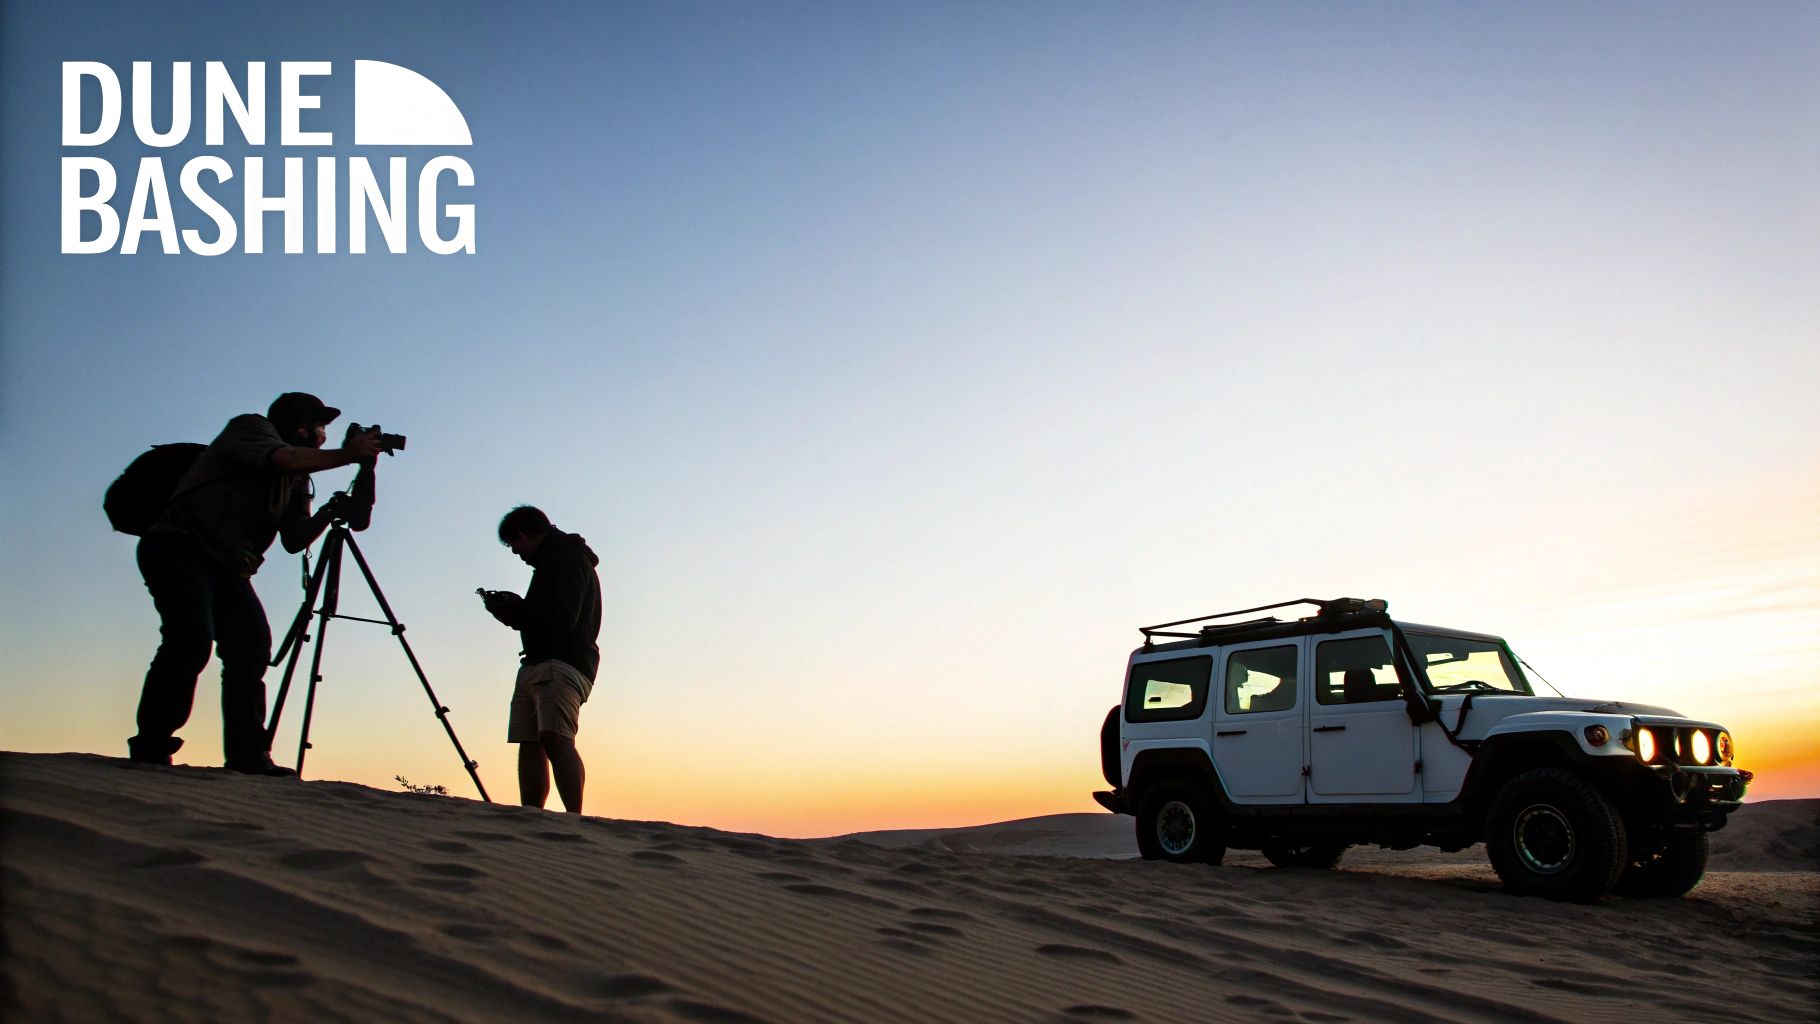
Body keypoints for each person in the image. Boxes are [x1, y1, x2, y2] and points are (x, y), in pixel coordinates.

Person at [129, 392, 383, 773]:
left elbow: (295, 539)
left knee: (250, 649)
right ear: (300, 426)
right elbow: (282, 458)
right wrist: (350, 455)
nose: (323, 437)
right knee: (190, 641)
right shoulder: (249, 428)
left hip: (230, 568)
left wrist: (353, 484)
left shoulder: (299, 476)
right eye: (320, 428)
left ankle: (248, 755)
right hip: (179, 544)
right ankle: (152, 747)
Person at [480, 506, 601, 813]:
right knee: (529, 739)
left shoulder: (569, 560)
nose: (516, 553)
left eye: (513, 545)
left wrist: (519, 612)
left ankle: (574, 819)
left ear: (522, 536)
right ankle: (531, 819)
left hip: (563, 662)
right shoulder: (553, 562)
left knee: (554, 737)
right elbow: (542, 617)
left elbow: (564, 618)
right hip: (535, 662)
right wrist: (515, 614)